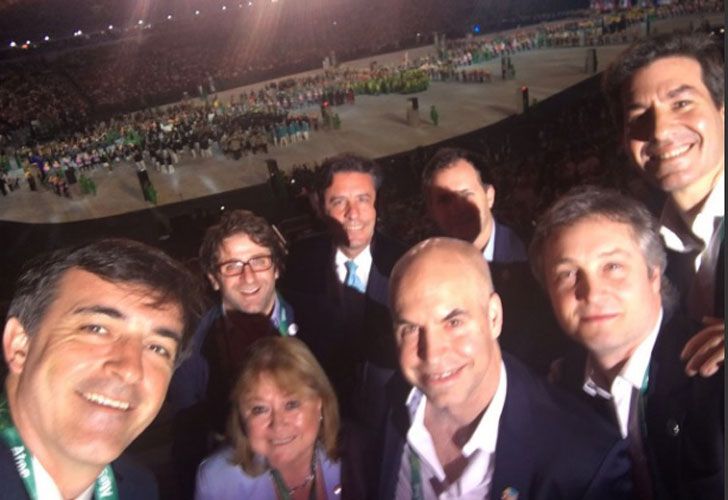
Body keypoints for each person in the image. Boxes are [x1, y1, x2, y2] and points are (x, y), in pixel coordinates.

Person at [377, 237, 632, 499]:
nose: (432, 352)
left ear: (494, 317)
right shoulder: (379, 410)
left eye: (453, 322)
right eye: (410, 329)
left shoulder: (586, 461)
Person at [530, 186, 724, 499]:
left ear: (654, 275)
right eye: (567, 274)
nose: (591, 292)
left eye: (613, 266)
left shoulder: (716, 377)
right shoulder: (556, 396)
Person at [1, 238, 202, 500]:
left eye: (157, 348)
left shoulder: (138, 488)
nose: (130, 369)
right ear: (20, 345)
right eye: (96, 329)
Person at [602, 32, 724, 376]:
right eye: (639, 115)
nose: (658, 129)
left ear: (721, 110)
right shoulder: (644, 244)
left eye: (681, 103)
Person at [167, 209, 296, 498]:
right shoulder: (191, 352)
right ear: (214, 278)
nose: (248, 276)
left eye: (259, 261)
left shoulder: (318, 321)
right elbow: (188, 448)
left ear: (276, 267)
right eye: (232, 266)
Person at [282, 153, 406, 420]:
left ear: (377, 205)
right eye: (339, 202)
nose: (353, 214)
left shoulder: (407, 264)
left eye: (363, 199)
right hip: (324, 414)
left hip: (393, 415)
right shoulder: (300, 260)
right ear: (320, 206)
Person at [421, 147, 565, 374]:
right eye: (445, 199)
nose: (457, 208)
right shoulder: (426, 269)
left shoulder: (536, 254)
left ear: (489, 196)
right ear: (431, 210)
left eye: (466, 194)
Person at [195, 336, 364, 499]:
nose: (278, 424)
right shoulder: (218, 483)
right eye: (260, 409)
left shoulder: (356, 458)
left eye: (291, 405)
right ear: (241, 417)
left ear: (320, 403)